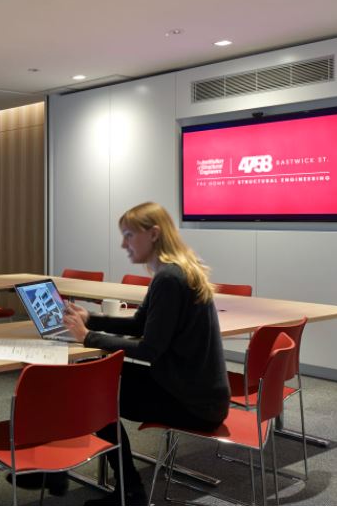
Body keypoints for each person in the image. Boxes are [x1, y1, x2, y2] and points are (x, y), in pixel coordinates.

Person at [61, 201, 230, 505]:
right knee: (98, 377)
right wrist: (91, 319)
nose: (123, 244)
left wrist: (89, 338)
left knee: (93, 392)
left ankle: (131, 492)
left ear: (153, 234)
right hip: (201, 393)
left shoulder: (168, 278)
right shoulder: (177, 270)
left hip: (193, 403)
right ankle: (126, 488)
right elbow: (141, 325)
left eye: (128, 235)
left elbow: (150, 348)